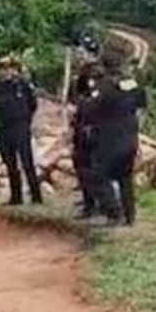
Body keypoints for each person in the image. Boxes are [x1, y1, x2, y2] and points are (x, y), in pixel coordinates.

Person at [85, 56, 146, 225]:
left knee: (98, 174)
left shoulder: (104, 86)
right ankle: (130, 215)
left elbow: (90, 109)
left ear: (104, 68)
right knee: (125, 177)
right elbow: (142, 103)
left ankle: (114, 212)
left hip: (110, 139)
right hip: (130, 137)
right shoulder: (132, 84)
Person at [0, 55, 42, 205]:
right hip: (3, 127)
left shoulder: (22, 84)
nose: (5, 72)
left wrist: (25, 119)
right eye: (2, 69)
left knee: (27, 161)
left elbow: (33, 104)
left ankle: (36, 196)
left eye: (8, 68)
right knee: (9, 162)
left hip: (20, 125)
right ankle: (16, 196)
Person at [69, 61, 103, 218]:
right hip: (82, 138)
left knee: (95, 173)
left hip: (96, 140)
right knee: (83, 171)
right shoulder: (83, 97)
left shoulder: (102, 96)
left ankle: (99, 204)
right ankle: (89, 204)